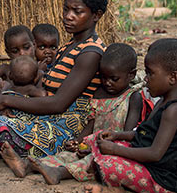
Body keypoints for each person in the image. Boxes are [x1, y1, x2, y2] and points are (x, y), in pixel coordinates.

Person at [0, 0, 107, 169]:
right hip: (47, 115)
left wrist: (6, 102)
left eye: (77, 12)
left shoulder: (90, 53)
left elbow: (58, 103)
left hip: (66, 125)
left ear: (96, 15)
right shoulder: (67, 47)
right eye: (66, 9)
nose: (68, 17)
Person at [82, 38, 177, 193]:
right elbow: (144, 133)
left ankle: (115, 189)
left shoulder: (175, 110)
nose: (145, 79)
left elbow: (155, 154)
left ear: (172, 78)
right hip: (150, 165)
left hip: (163, 178)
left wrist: (115, 150)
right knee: (99, 138)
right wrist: (118, 135)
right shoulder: (162, 101)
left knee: (109, 162)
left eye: (150, 73)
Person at [26, 43, 143, 184]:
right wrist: (79, 141)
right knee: (68, 155)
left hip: (114, 148)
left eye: (114, 78)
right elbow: (92, 122)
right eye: (103, 77)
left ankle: (58, 173)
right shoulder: (99, 93)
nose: (107, 83)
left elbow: (127, 134)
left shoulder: (133, 97)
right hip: (92, 144)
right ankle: (28, 166)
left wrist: (100, 148)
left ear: (131, 75)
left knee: (92, 161)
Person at [0, 25, 37, 92]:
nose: (22, 53)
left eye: (26, 48)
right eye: (15, 51)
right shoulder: (5, 69)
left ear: (34, 45)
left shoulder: (39, 68)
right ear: (8, 53)